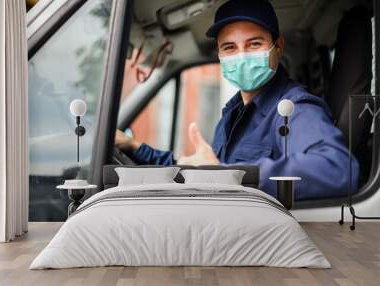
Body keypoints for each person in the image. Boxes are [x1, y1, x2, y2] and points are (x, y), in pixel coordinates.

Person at [115, 0, 359, 200]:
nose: (241, 57)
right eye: (230, 47)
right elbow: (205, 166)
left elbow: (338, 169)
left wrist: (228, 175)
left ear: (278, 47)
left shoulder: (293, 107)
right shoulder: (232, 112)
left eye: (254, 44)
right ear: (220, 55)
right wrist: (134, 146)